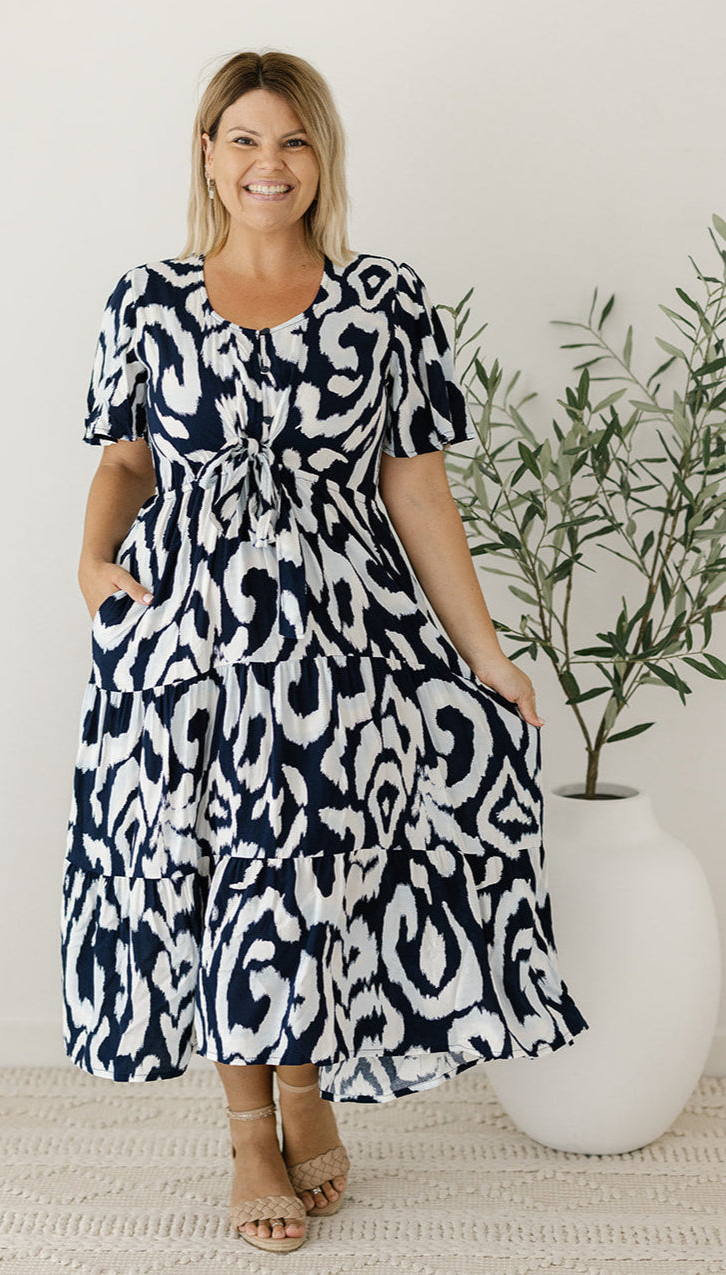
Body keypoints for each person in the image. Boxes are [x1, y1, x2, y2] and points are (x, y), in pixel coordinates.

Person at [60, 48, 590, 1255]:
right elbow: (126, 462)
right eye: (245, 139)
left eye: (293, 141)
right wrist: (91, 564)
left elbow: (416, 488)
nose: (270, 164)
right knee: (213, 873)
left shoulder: (384, 299)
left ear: (321, 158)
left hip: (341, 640)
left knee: (303, 871)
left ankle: (305, 1089)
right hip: (188, 640)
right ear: (207, 154)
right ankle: (251, 1130)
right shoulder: (146, 300)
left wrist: (487, 654)